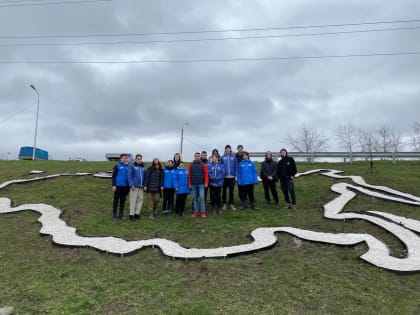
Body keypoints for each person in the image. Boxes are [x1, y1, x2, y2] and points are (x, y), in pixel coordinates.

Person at [188, 152, 209, 218]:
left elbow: (206, 174)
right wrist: (189, 184)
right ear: (194, 157)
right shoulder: (191, 165)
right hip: (193, 184)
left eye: (198, 156)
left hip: (201, 184)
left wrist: (206, 183)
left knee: (202, 198)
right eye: (196, 156)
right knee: (194, 198)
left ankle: (203, 212)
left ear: (200, 157)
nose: (197, 157)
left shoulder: (203, 165)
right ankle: (196, 211)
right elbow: (189, 175)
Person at [127, 154, 146, 220]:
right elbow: (129, 176)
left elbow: (144, 176)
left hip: (141, 187)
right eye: (138, 159)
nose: (139, 160)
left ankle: (137, 213)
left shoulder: (143, 167)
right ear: (135, 159)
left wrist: (144, 185)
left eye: (140, 159)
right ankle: (131, 214)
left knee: (140, 200)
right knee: (133, 200)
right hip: (134, 186)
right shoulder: (132, 166)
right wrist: (132, 185)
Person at [111, 153, 130, 220]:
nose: (124, 159)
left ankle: (121, 215)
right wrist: (113, 185)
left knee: (122, 201)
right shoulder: (117, 166)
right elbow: (113, 176)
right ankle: (114, 215)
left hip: (125, 187)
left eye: (125, 158)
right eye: (123, 158)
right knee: (116, 201)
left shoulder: (128, 166)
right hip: (118, 186)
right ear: (120, 159)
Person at [221, 145, 238, 210]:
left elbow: (236, 166)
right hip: (224, 178)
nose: (228, 150)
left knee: (231, 191)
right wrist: (222, 175)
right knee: (224, 191)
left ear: (230, 149)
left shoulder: (234, 157)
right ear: (225, 150)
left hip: (232, 177)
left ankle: (231, 203)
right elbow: (221, 166)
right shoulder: (222, 157)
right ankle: (224, 204)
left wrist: (236, 175)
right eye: (226, 149)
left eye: (229, 149)